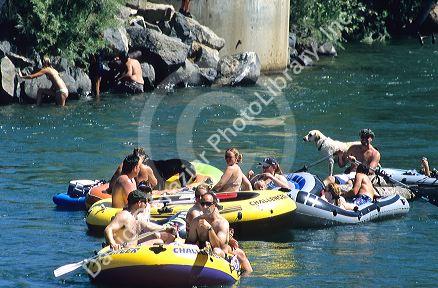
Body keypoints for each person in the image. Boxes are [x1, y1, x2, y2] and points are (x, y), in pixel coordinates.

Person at [186, 192, 252, 273]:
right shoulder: (196, 222)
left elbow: (219, 246)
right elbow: (190, 242)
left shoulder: (222, 223)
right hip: (202, 254)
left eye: (208, 204)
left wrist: (209, 229)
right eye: (202, 204)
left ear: (214, 205)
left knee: (220, 251)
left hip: (221, 254)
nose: (204, 207)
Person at [105, 190, 175, 250]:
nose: (146, 205)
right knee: (159, 241)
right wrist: (113, 244)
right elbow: (108, 229)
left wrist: (166, 229)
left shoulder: (136, 217)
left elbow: (150, 226)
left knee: (166, 236)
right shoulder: (124, 215)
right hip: (123, 251)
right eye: (145, 202)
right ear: (139, 203)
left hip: (134, 248)